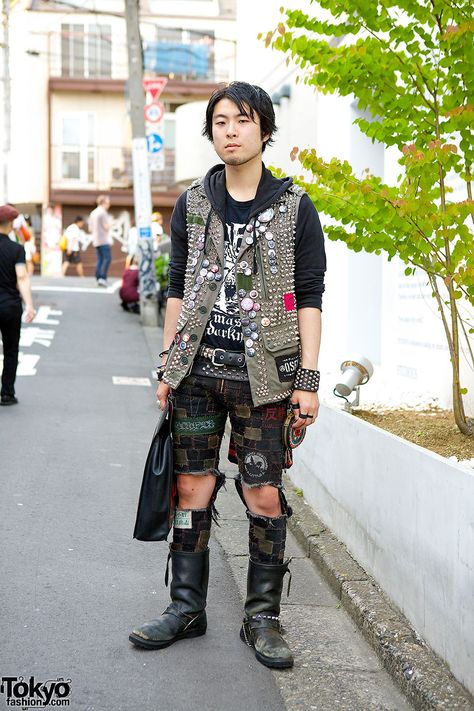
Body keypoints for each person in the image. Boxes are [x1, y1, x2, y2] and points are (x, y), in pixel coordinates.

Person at [129, 82, 326, 669]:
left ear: (265, 129)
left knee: (263, 493)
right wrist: (167, 364)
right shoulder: (192, 204)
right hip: (195, 372)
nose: (231, 130)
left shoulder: (295, 208)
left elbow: (309, 297)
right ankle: (186, 606)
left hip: (264, 379)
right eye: (220, 121)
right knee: (191, 489)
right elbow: (177, 287)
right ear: (211, 132)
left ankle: (263, 616)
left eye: (243, 120)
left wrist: (308, 382)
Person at [0, 205, 36, 405]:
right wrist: (29, 305)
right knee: (11, 350)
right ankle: (7, 393)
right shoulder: (16, 249)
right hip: (10, 307)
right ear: (12, 224)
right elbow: (22, 277)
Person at [89, 195, 112, 286]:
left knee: (100, 259)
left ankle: (98, 277)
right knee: (107, 259)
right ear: (103, 203)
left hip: (96, 240)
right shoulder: (103, 213)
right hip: (103, 240)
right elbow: (106, 227)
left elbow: (90, 229)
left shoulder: (93, 213)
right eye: (108, 203)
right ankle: (102, 277)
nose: (109, 205)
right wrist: (111, 224)